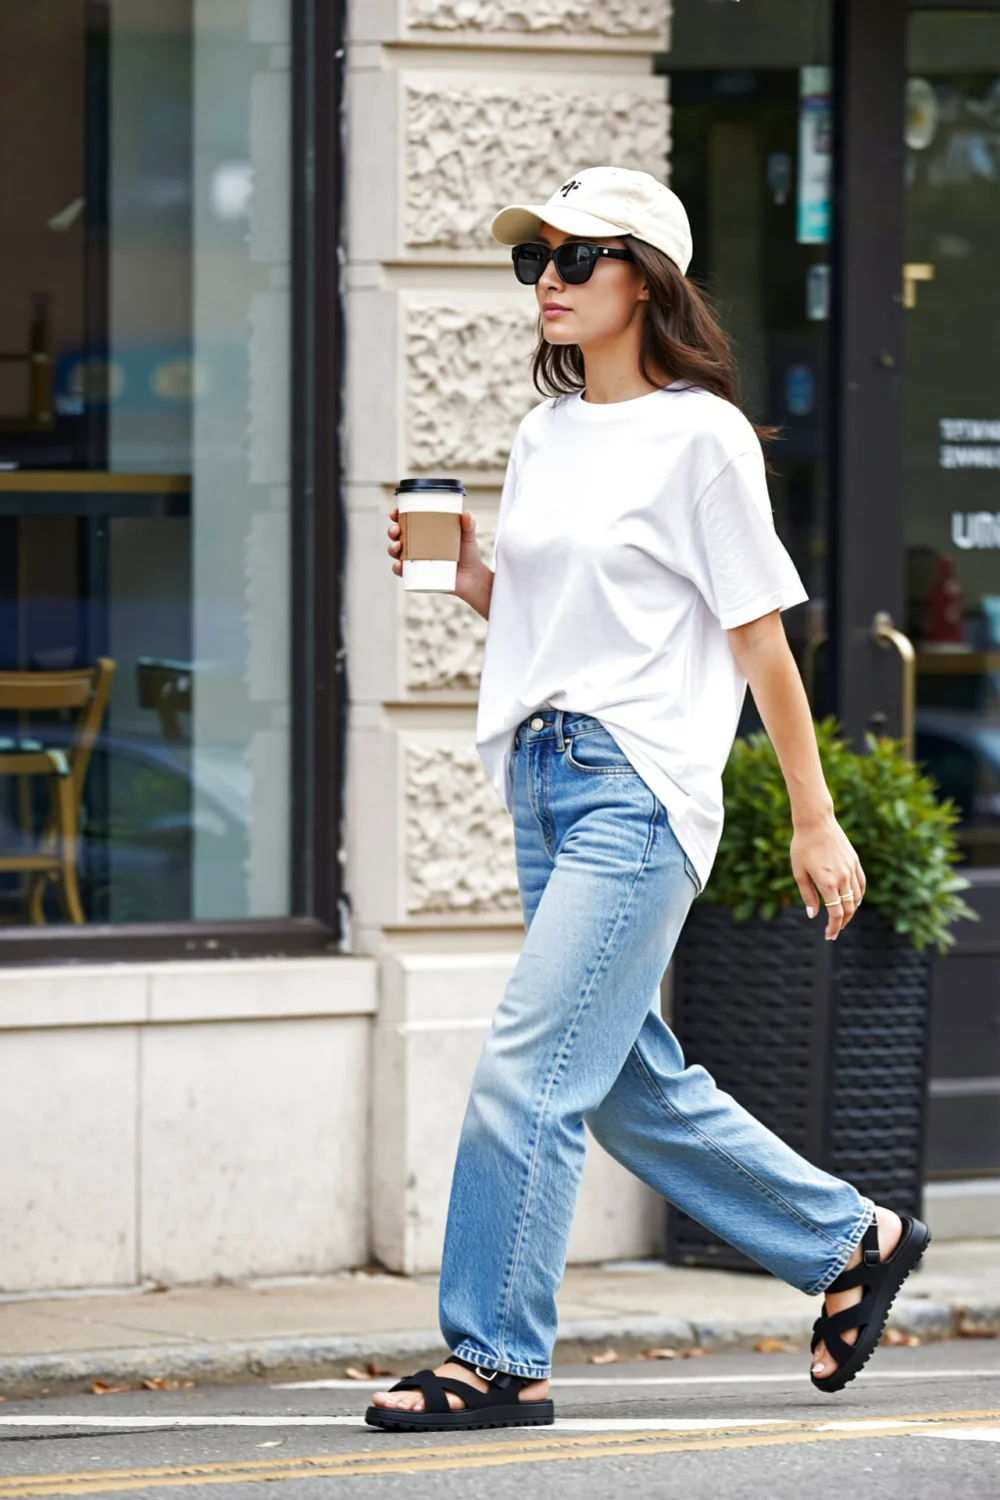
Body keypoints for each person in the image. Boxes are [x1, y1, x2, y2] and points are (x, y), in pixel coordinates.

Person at [366, 167, 929, 1433]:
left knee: (524, 1070)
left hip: (638, 792)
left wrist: (813, 813)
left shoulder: (703, 436)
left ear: (647, 280)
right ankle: (853, 1238)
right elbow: (555, 624)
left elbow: (760, 639)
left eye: (575, 261)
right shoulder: (542, 435)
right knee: (616, 1080)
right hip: (542, 776)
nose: (548, 284)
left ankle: (498, 1357)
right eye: (535, 264)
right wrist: (466, 573)